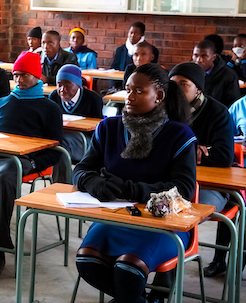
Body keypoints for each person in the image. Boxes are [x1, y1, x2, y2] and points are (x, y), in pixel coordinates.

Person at [73, 63, 196, 303]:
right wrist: (92, 182)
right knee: (87, 262)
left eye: (138, 91)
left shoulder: (179, 135)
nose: (129, 96)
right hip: (117, 216)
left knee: (128, 269)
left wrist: (131, 189)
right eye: (127, 89)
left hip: (163, 223)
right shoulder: (108, 127)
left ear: (159, 96)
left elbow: (183, 189)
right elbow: (81, 170)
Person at [0, 51, 63, 279]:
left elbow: (56, 150)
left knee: (6, 176)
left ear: (37, 77)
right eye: (15, 75)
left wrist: (35, 162)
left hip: (21, 160)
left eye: (24, 75)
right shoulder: (4, 102)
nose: (18, 79)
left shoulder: (49, 108)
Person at [167, 62, 234, 284]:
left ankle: (162, 287)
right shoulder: (165, 109)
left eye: (183, 85)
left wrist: (180, 151)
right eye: (172, 85)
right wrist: (195, 150)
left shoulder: (218, 112)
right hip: (173, 180)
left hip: (210, 185)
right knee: (155, 215)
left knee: (179, 217)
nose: (176, 90)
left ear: (198, 89)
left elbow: (224, 156)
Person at [49, 64, 103, 164]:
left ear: (78, 84)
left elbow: (96, 129)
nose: (62, 89)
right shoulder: (54, 96)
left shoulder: (93, 99)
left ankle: (64, 176)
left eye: (67, 85)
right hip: (62, 135)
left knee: (59, 145)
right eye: (59, 85)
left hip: (84, 139)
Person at [192, 39, 240, 108]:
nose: (199, 60)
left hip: (217, 116)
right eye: (196, 55)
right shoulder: (188, 72)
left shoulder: (228, 75)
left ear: (213, 57)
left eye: (204, 56)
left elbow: (232, 105)